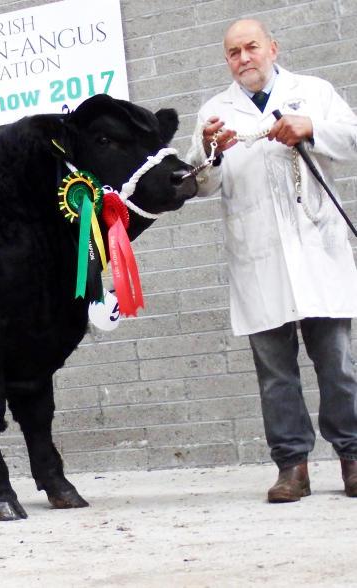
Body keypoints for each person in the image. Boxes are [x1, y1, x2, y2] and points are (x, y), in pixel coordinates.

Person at [187, 18, 357, 502]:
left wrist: (312, 128)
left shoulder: (313, 92)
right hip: (258, 257)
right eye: (233, 52)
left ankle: (353, 458)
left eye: (251, 47)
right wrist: (210, 152)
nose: (244, 58)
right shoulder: (214, 112)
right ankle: (292, 468)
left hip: (317, 250)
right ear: (227, 60)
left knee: (338, 364)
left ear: (272, 48)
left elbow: (352, 138)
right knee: (275, 375)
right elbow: (200, 183)